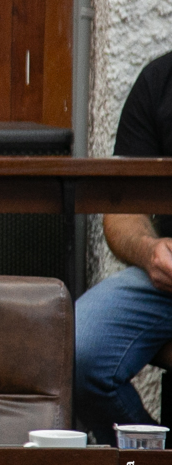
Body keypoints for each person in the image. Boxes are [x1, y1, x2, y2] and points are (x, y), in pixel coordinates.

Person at [76, 50, 172, 444]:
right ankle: (147, 463)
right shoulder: (159, 80)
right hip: (166, 285)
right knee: (76, 350)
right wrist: (151, 251)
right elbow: (121, 211)